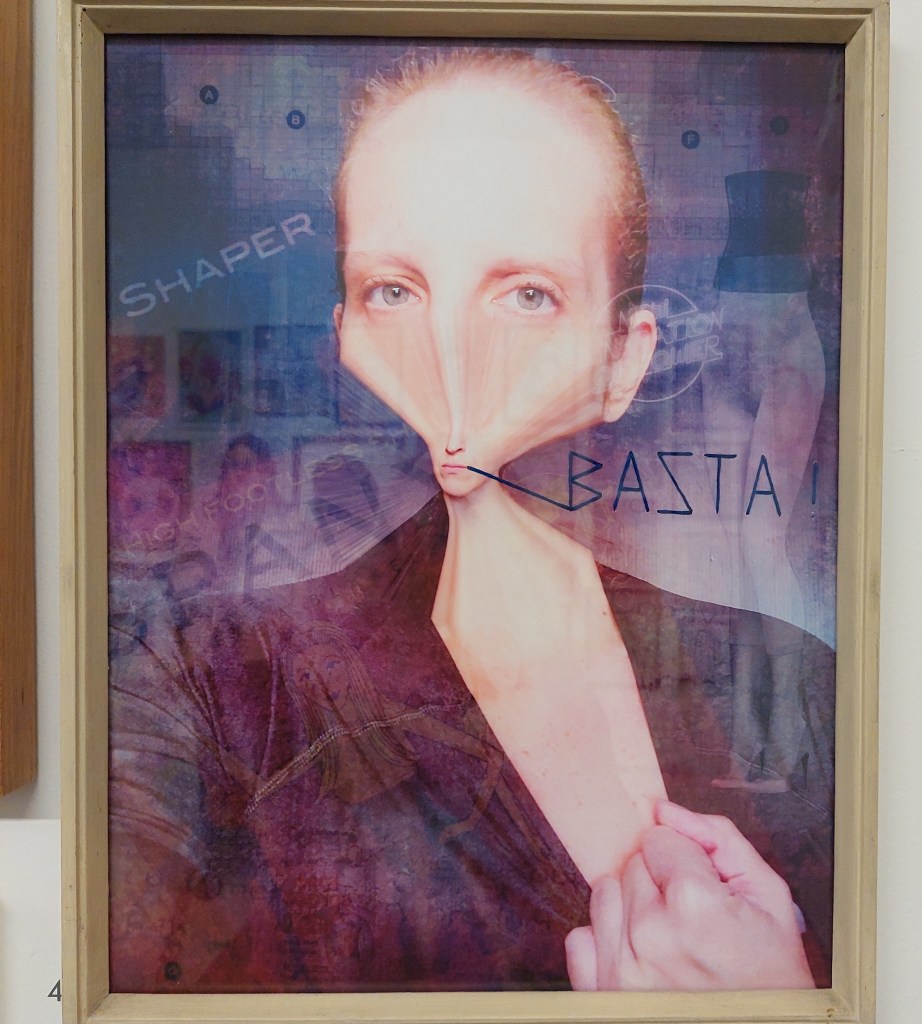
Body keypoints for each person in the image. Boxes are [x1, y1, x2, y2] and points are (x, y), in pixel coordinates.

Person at [108, 48, 831, 994]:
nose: (454, 353)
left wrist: (788, 996)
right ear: (343, 336)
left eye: (528, 293)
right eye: (395, 290)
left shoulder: (802, 689)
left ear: (624, 359)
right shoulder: (215, 684)